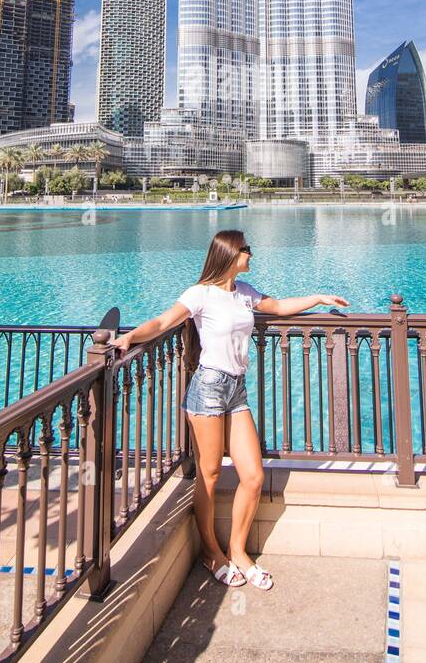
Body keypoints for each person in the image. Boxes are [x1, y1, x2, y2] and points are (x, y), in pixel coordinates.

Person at [113, 229, 348, 591]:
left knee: (252, 475)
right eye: (246, 250)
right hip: (207, 388)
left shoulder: (245, 294)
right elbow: (163, 322)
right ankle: (211, 552)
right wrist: (130, 337)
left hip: (236, 390)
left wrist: (318, 297)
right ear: (229, 254)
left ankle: (238, 551)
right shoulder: (200, 294)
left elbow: (280, 306)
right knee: (208, 474)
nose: (251, 254)